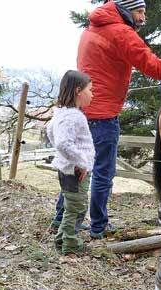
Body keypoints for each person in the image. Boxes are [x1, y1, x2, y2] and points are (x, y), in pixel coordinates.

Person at [52, 0, 161, 240]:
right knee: (103, 173)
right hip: (103, 116)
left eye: (144, 12)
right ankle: (98, 226)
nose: (143, 17)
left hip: (81, 111)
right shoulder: (121, 33)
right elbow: (156, 67)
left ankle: (60, 220)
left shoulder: (92, 27)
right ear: (125, 11)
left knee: (76, 168)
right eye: (139, 12)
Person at [47, 70, 95, 255]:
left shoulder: (61, 113)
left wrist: (67, 158)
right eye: (90, 90)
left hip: (68, 168)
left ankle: (62, 239)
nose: (93, 94)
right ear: (78, 91)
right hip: (75, 171)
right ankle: (70, 245)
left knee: (72, 206)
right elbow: (62, 142)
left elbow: (51, 132)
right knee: (76, 208)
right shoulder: (73, 116)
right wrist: (81, 162)